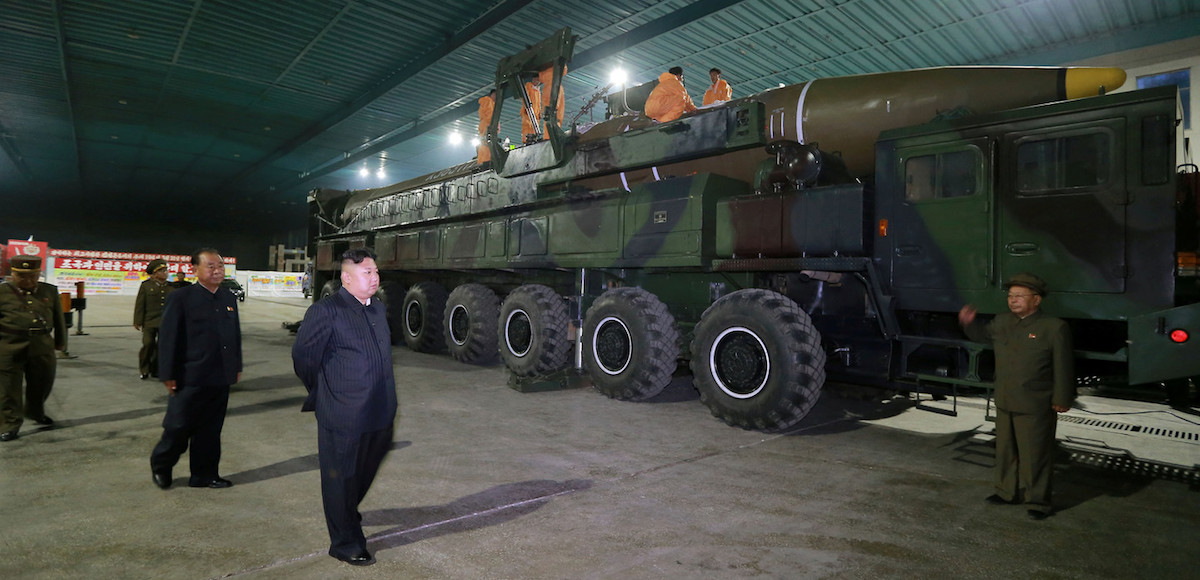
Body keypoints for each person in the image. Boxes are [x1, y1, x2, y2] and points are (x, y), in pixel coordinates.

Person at [292, 248, 397, 567]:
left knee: (363, 470)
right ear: (346, 278)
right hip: (344, 412)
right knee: (341, 478)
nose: (375, 277)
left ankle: (346, 509)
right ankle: (345, 541)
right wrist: (325, 392)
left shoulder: (377, 308)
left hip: (380, 409)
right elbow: (304, 358)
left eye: (376, 271)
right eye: (367, 273)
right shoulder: (327, 310)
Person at [958, 272, 1074, 520]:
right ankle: (1005, 492)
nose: (1013, 300)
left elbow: (1063, 366)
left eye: (1020, 296)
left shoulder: (1053, 327)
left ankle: (1039, 501)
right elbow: (981, 335)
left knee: (1035, 455)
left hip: (1035, 402)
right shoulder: (1002, 322)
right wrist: (969, 323)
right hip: (1005, 399)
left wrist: (1062, 398)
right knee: (1005, 451)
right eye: (1011, 296)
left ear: (1036, 300)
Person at [149, 248, 242, 490]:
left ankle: (204, 475)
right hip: (189, 376)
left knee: (210, 431)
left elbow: (234, 337)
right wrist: (167, 374)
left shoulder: (228, 298)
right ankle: (162, 465)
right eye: (210, 266)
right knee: (178, 427)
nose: (217, 270)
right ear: (195, 270)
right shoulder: (181, 298)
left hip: (219, 376)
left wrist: (236, 366)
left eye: (220, 266)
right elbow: (168, 339)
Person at [0, 255, 66, 442]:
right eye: (22, 276)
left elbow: (58, 317)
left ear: (39, 274)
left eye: (33, 276)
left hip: (42, 345)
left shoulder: (49, 291)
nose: (28, 280)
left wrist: (60, 341)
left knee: (42, 383)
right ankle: (9, 424)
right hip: (9, 345)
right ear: (12, 273)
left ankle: (35, 413)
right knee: (8, 389)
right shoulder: (2, 292)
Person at [133, 259, 175, 380]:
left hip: (166, 322)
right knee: (148, 344)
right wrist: (137, 321)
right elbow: (140, 304)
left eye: (166, 270)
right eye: (162, 271)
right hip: (150, 321)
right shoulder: (146, 286)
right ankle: (144, 369)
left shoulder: (171, 287)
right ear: (155, 273)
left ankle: (156, 369)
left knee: (162, 347)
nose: (166, 273)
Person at [538, 64, 567, 129]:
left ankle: (551, 135)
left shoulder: (549, 82)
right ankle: (551, 135)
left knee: (552, 117)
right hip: (555, 86)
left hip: (554, 86)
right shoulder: (554, 84)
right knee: (553, 117)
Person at [521, 78, 544, 144]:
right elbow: (524, 97)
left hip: (535, 113)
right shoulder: (528, 87)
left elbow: (539, 103)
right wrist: (526, 107)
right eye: (537, 80)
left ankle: (533, 139)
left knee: (534, 127)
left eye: (539, 81)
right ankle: (525, 140)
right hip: (528, 111)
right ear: (533, 79)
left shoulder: (538, 91)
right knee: (527, 126)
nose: (538, 82)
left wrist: (539, 112)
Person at [477, 89, 497, 164]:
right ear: (492, 94)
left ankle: (485, 160)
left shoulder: (492, 103)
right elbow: (489, 115)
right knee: (486, 144)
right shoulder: (488, 101)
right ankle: (486, 161)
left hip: (487, 126)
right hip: (487, 126)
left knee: (486, 144)